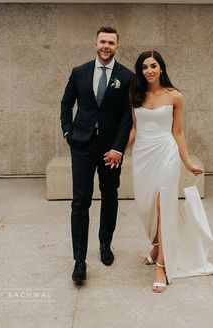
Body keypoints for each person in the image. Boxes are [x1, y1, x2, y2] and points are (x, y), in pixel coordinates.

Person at [129, 50, 213, 293]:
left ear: (161, 68)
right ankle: (157, 245)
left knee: (163, 207)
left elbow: (177, 132)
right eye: (145, 67)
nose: (149, 70)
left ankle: (161, 265)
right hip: (142, 156)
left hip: (166, 154)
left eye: (153, 66)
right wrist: (115, 150)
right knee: (145, 205)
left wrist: (187, 162)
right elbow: (135, 129)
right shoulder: (136, 95)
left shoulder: (175, 96)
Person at [60, 26, 134, 286]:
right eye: (103, 41)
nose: (106, 46)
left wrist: (118, 148)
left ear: (117, 46)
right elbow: (66, 103)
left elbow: (127, 116)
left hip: (110, 149)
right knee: (80, 201)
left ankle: (105, 243)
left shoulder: (127, 76)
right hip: (81, 146)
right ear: (95, 44)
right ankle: (79, 260)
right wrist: (68, 132)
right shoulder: (79, 72)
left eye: (111, 43)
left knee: (110, 195)